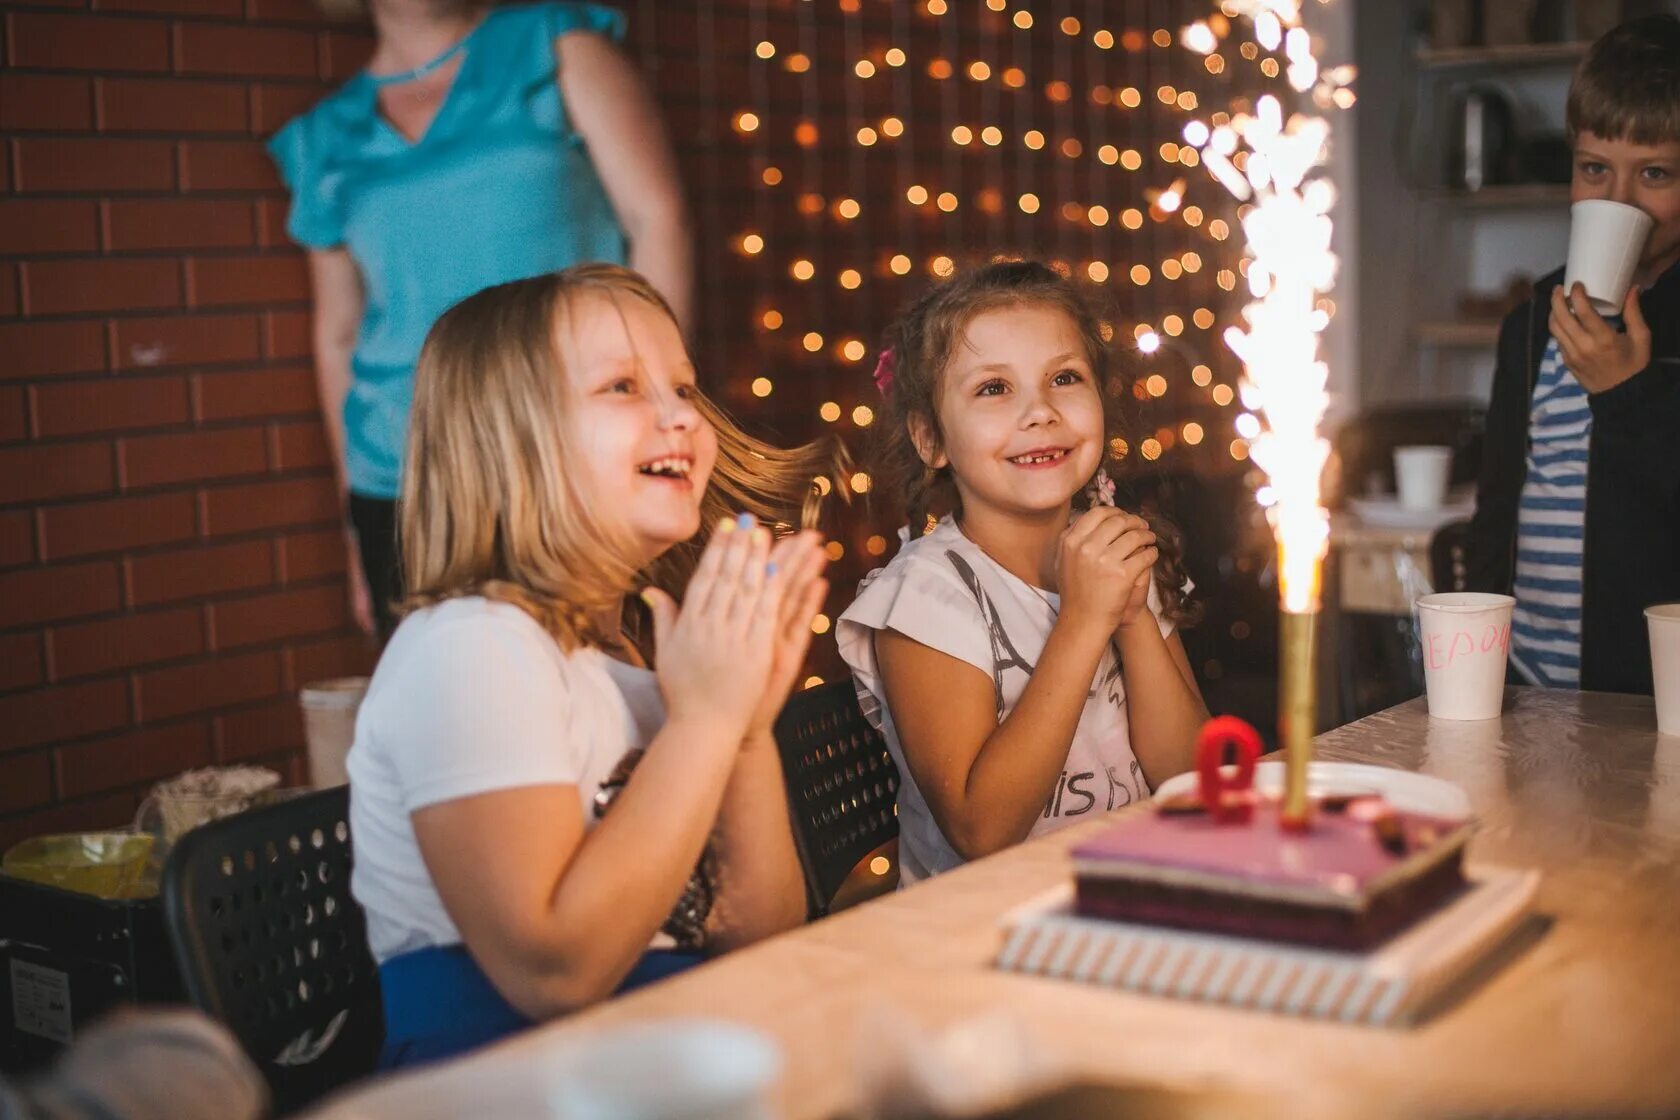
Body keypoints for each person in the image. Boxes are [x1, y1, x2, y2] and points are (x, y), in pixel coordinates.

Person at [347, 264, 832, 1067]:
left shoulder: (643, 655)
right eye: (623, 387)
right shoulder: (471, 646)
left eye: (684, 387)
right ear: (510, 438)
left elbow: (761, 936)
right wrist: (707, 721)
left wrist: (742, 729)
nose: (681, 416)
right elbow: (556, 973)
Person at [268, 0, 691, 639]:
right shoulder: (322, 137)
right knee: (448, 707)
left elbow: (658, 222)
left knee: (612, 693)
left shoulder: (557, 47)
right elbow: (338, 336)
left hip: (569, 450)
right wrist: (354, 530)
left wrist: (657, 402)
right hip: (403, 473)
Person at [834, 261, 1208, 887]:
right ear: (932, 440)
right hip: (986, 934)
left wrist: (1132, 612)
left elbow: (1191, 777)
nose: (1040, 411)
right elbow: (982, 830)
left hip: (1139, 895)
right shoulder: (926, 596)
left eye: (1064, 377)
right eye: (993, 389)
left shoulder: (1110, 551)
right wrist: (1086, 620)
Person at [1466, 14, 1680, 694]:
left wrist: (1625, 395)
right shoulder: (1531, 326)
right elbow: (1497, 510)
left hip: (1645, 701)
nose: (1619, 200)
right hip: (1524, 685)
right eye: (1594, 168)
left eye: (1654, 173)